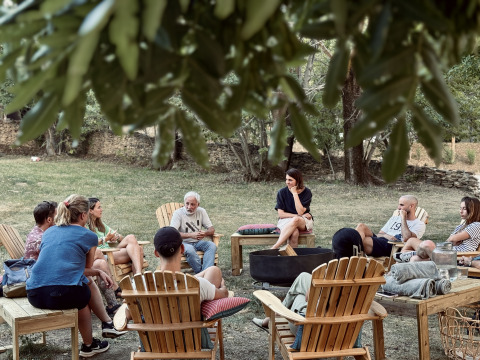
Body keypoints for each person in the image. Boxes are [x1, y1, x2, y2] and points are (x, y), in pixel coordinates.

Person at [26, 195, 126, 358]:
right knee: (83, 287)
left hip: (35, 294)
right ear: (83, 215)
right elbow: (84, 271)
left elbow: (76, 270)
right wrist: (97, 271)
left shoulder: (49, 232)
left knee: (80, 293)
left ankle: (90, 345)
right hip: (62, 294)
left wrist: (98, 271)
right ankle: (106, 324)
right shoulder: (89, 236)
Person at [400, 197, 480, 262]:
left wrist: (452, 240)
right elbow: (450, 241)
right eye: (460, 208)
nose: (461, 211)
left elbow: (452, 239)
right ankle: (406, 260)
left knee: (426, 244)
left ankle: (416, 253)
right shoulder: (461, 226)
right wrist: (452, 241)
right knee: (413, 250)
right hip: (444, 252)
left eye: (464, 209)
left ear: (473, 210)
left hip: (455, 256)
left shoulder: (477, 225)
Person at [88, 197, 144, 276]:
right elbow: (89, 244)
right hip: (104, 255)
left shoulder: (100, 225)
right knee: (139, 250)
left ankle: (137, 274)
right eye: (99, 207)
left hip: (112, 251)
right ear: (90, 211)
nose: (101, 209)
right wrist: (106, 239)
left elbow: (119, 236)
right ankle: (138, 277)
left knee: (131, 237)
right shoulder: (85, 227)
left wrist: (116, 237)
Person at [355, 195, 426, 257]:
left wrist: (403, 218)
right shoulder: (394, 218)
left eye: (401, 205)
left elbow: (407, 238)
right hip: (381, 240)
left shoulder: (419, 224)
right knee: (361, 226)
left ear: (411, 206)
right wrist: (387, 236)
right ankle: (353, 250)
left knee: (362, 241)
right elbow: (380, 234)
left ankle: (352, 255)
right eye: (399, 205)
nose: (398, 208)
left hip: (392, 246)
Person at [170, 191, 217, 273]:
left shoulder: (201, 211)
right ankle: (202, 273)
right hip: (182, 243)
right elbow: (172, 233)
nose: (189, 207)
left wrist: (205, 233)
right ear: (184, 203)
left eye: (192, 204)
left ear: (198, 204)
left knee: (211, 245)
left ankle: (207, 272)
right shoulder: (178, 214)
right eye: (187, 204)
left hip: (197, 242)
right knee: (190, 250)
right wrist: (190, 235)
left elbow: (211, 229)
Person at [271, 168, 313, 249]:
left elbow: (300, 212)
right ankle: (291, 259)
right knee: (294, 232)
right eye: (286, 179)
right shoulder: (282, 192)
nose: (287, 182)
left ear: (298, 180)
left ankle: (275, 247)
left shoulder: (307, 192)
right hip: (286, 219)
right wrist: (297, 216)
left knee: (296, 220)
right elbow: (281, 214)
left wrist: (294, 193)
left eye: (290, 180)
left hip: (303, 221)